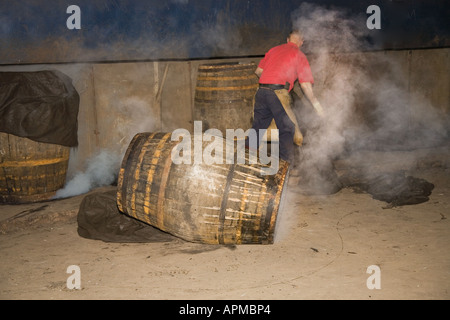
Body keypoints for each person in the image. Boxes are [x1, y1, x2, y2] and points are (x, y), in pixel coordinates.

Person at [248, 29, 324, 164]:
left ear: (287, 40)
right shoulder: (299, 55)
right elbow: (305, 85)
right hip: (278, 93)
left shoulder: (273, 50)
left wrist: (270, 81)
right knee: (288, 129)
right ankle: (285, 169)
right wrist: (316, 105)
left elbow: (258, 71)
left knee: (258, 128)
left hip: (261, 92)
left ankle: (245, 161)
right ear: (301, 42)